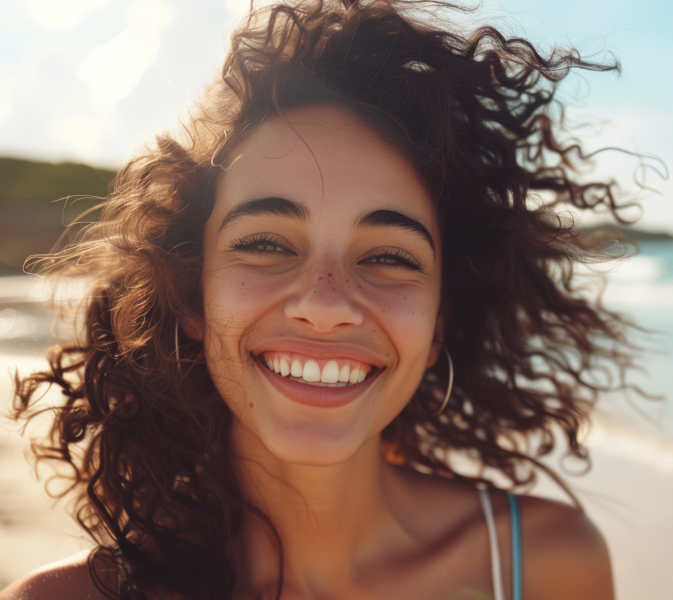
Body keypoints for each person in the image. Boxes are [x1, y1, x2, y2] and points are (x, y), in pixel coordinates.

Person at [2, 1, 639, 598]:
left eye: (389, 257)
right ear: (191, 295)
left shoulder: (547, 567)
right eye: (267, 244)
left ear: (439, 324)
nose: (326, 304)